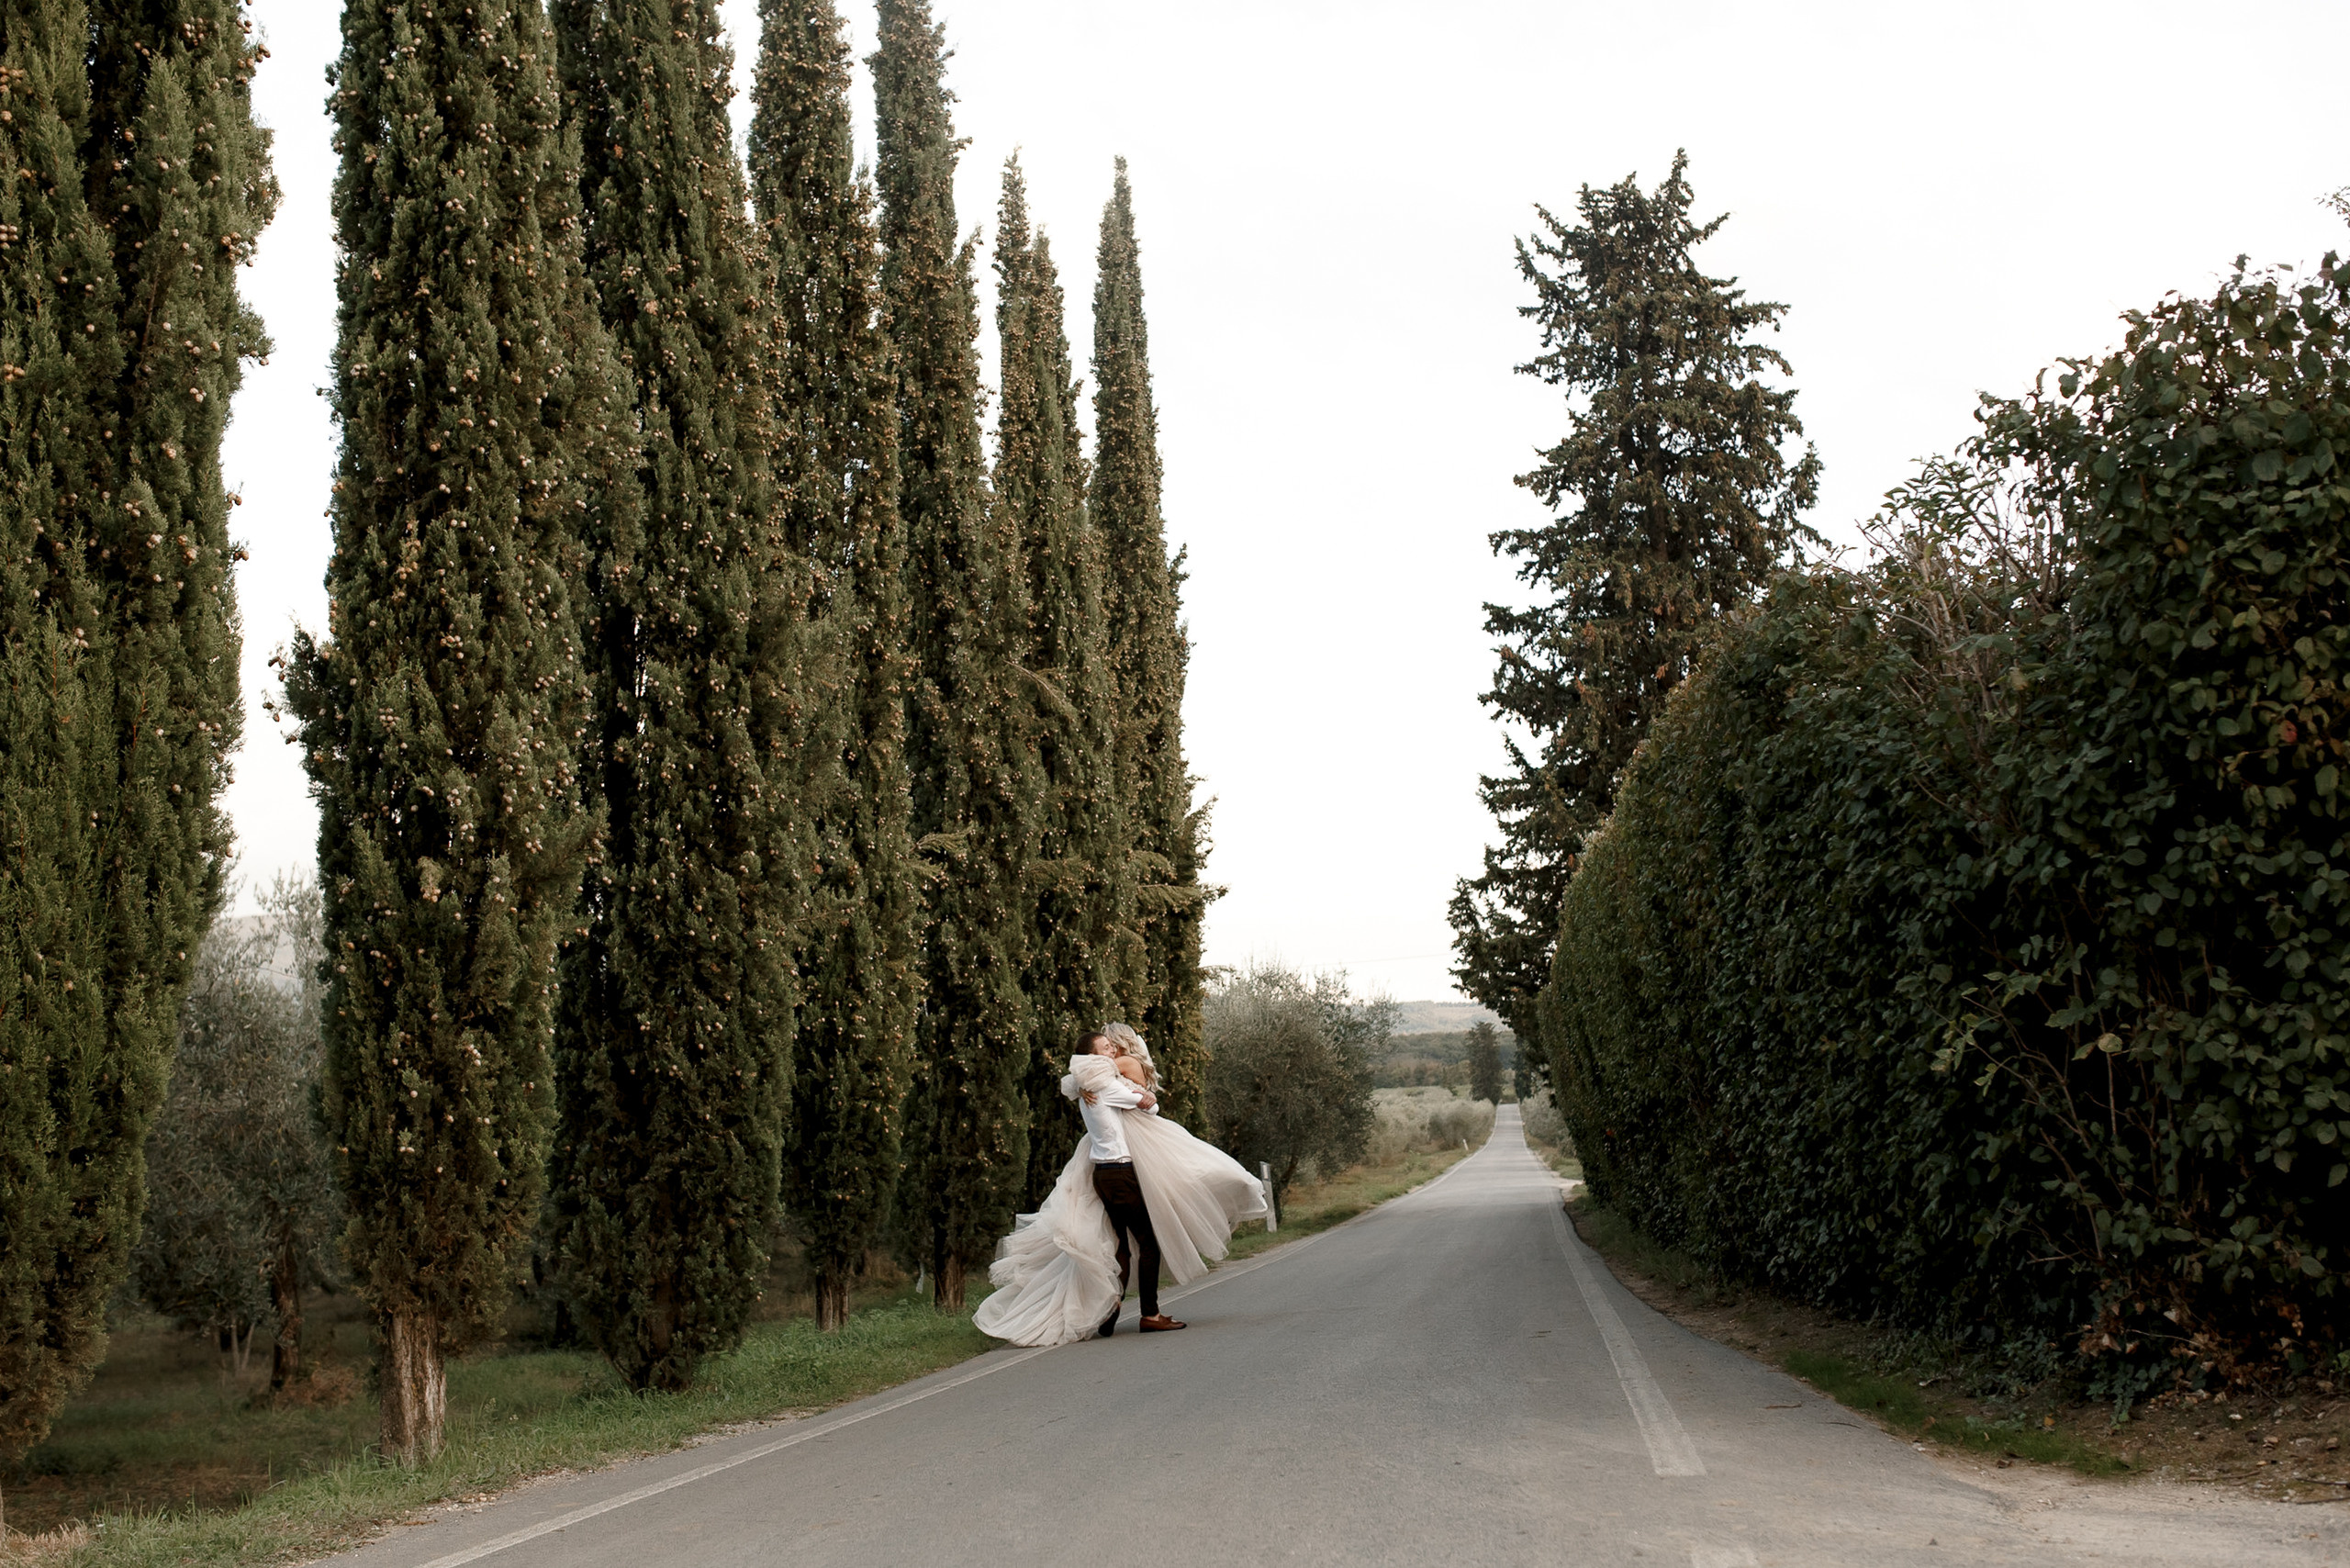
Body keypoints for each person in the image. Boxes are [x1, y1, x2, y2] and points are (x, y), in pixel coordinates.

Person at [972, 1025, 1269, 1348]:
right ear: (1093, 1057)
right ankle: (1150, 1314)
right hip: (1120, 1173)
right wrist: (1147, 1096)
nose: (1112, 1051)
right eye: (1105, 1048)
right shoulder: (1105, 1086)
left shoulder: (1089, 1085)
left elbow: (1076, 1083)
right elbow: (1149, 1107)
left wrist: (1097, 1083)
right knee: (1148, 1242)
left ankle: (1112, 1310)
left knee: (1122, 1246)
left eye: (1112, 1047)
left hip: (1104, 1175)